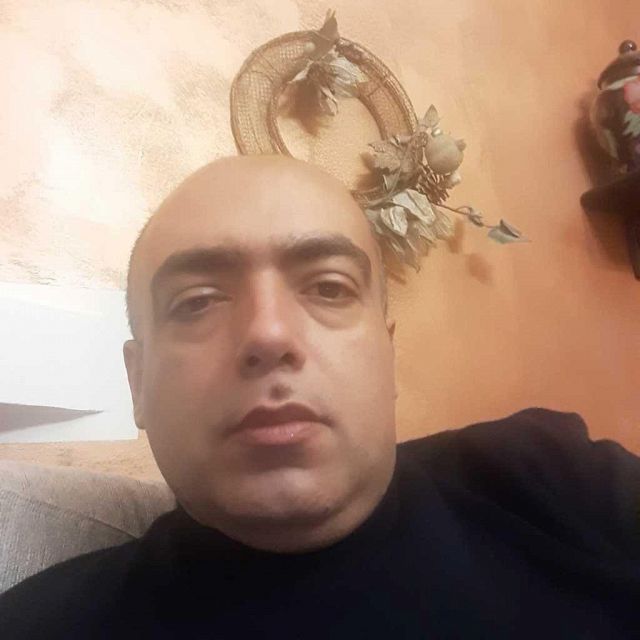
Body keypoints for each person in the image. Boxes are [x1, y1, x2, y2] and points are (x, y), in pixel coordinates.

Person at [0, 155, 639, 639]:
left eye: (329, 287)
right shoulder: (39, 625)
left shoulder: (552, 478)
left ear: (388, 353)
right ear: (137, 382)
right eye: (196, 302)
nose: (269, 334)